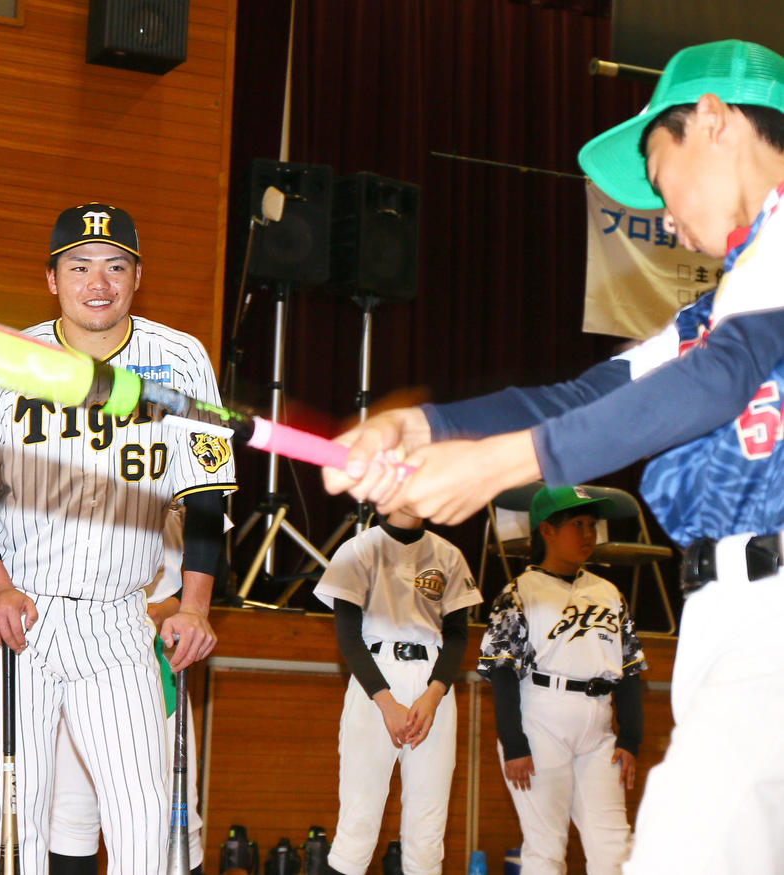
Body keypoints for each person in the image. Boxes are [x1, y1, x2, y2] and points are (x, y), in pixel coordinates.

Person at [322, 39, 784, 873]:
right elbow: (583, 396)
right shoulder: (732, 294)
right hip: (729, 612)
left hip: (770, 616)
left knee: (683, 848)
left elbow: (719, 381)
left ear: (713, 120)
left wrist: (499, 465)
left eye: (659, 176)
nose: (664, 218)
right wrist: (428, 428)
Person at [0, 203, 236, 875]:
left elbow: (206, 495)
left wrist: (195, 605)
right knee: (15, 824)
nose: (98, 283)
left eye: (115, 266)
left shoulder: (181, 357)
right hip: (21, 615)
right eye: (79, 267)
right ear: (52, 279)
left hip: (119, 618)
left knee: (144, 814)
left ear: (137, 277)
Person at [478, 486, 645, 875]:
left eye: (592, 525)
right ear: (547, 530)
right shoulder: (518, 592)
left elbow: (630, 670)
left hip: (599, 722)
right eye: (577, 524)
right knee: (546, 847)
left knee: (613, 844)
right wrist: (514, 744)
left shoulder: (608, 593)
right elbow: (501, 672)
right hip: (542, 720)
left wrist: (631, 738)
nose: (588, 534)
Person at [311, 509, 480, 875]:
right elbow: (348, 637)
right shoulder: (357, 549)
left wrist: (433, 695)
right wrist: (386, 702)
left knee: (428, 823)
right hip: (374, 680)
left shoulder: (448, 554)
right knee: (359, 818)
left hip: (434, 684)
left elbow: (457, 636)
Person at [49, 507, 208, 875]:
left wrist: (172, 606)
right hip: (69, 648)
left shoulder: (178, 488)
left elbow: (214, 567)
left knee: (175, 815)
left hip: (152, 663)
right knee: (72, 816)